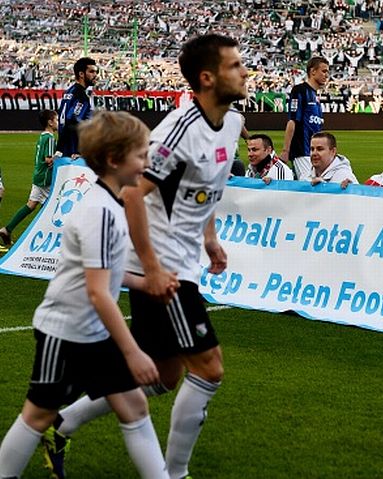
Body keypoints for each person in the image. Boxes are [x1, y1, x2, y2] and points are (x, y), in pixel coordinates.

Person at [40, 33, 248, 479]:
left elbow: (204, 188)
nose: (244, 71)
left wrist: (210, 237)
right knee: (209, 369)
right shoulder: (180, 128)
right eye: (235, 66)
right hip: (161, 265)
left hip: (185, 259)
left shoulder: (232, 123)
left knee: (165, 375)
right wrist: (152, 270)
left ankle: (62, 422)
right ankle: (175, 474)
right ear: (207, 78)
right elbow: (134, 193)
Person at [0, 111, 170, 479]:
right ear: (113, 160)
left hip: (91, 331)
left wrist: (145, 283)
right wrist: (132, 351)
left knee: (134, 405)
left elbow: (104, 275)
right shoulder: (101, 211)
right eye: (140, 154)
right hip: (66, 332)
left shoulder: (111, 204)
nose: (147, 161)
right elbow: (98, 292)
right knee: (37, 415)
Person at [0, 110, 57, 247]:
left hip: (38, 175)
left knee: (31, 204)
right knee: (52, 209)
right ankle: (41, 239)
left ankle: (7, 229)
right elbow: (49, 160)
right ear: (50, 122)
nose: (58, 122)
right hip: (45, 178)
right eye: (56, 119)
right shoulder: (50, 137)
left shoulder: (42, 136)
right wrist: (61, 156)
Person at [281, 56, 330, 179]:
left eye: (327, 72)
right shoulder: (300, 91)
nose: (327, 75)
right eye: (324, 71)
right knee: (309, 186)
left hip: (314, 152)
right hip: (302, 151)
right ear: (313, 71)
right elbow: (292, 121)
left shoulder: (315, 96)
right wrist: (286, 151)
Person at [56, 57, 98, 158]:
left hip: (65, 149)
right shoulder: (81, 96)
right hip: (74, 152)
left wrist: (59, 149)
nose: (95, 75)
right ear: (81, 74)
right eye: (91, 71)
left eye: (96, 72)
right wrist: (78, 150)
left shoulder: (69, 91)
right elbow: (72, 120)